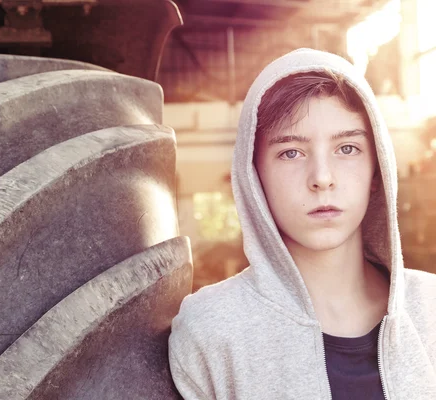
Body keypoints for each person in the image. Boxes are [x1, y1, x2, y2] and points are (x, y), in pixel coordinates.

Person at [168, 48, 436, 399]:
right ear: (255, 176)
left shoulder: (430, 307)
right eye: (290, 153)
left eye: (347, 149)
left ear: (377, 170)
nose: (322, 178)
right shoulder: (210, 330)